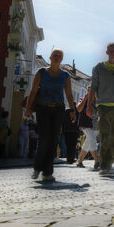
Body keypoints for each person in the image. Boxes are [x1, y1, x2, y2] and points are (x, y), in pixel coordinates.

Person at [25, 49, 76, 182]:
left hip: (58, 109)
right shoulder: (41, 72)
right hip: (43, 108)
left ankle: (47, 172)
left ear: (62, 59)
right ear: (50, 57)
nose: (57, 57)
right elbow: (34, 91)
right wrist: (28, 108)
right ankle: (37, 168)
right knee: (44, 139)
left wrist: (72, 110)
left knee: (54, 140)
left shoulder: (65, 75)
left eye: (60, 56)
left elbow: (69, 95)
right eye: (55, 55)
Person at [88, 43, 114, 176]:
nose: (112, 52)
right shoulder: (98, 68)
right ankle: (104, 166)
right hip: (103, 106)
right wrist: (89, 106)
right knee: (105, 136)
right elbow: (93, 88)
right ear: (106, 52)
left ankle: (109, 163)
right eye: (110, 50)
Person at [75, 95, 99, 169]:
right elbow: (78, 109)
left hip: (96, 126)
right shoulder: (83, 99)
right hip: (86, 124)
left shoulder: (97, 101)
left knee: (88, 143)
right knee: (92, 139)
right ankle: (97, 161)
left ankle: (80, 161)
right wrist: (85, 99)